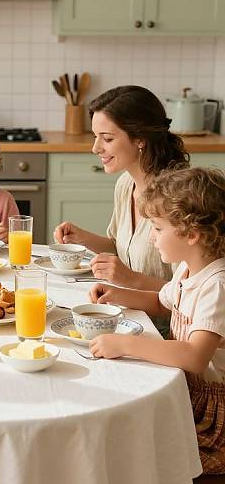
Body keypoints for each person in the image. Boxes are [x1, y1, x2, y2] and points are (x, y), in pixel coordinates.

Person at [88, 167, 225, 475]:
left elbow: (195, 356)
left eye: (158, 229)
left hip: (213, 416)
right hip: (185, 390)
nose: (151, 237)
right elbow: (162, 303)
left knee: (142, 457)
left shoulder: (217, 285)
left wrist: (126, 344)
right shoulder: (188, 268)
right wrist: (116, 294)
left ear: (192, 234)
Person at [54, 85, 190, 291]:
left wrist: (131, 280)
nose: (95, 148)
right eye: (95, 136)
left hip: (160, 322)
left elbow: (189, 292)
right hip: (126, 311)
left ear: (140, 139)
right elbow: (121, 248)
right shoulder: (125, 184)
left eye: (107, 138)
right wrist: (82, 238)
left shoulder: (177, 199)